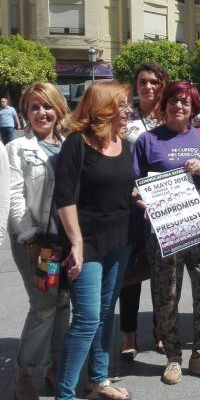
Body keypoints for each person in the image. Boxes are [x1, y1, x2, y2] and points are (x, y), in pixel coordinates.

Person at [132, 81, 200, 385]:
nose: (179, 106)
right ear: (165, 105)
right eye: (173, 100)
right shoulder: (147, 141)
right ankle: (173, 357)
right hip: (165, 233)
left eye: (186, 102)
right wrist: (141, 201)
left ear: (193, 108)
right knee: (166, 295)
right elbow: (135, 187)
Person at [54, 82, 135, 400]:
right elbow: (65, 198)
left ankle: (98, 381)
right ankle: (65, 394)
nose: (129, 111)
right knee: (87, 319)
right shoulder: (76, 144)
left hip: (121, 239)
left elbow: (118, 188)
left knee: (104, 313)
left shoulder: (122, 142)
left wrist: (139, 196)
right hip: (85, 243)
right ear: (104, 109)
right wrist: (75, 244)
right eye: (123, 105)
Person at [6, 83, 71, 399]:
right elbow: (15, 196)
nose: (41, 113)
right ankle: (27, 373)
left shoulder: (71, 144)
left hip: (67, 241)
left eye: (47, 106)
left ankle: (52, 366)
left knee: (62, 302)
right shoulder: (17, 150)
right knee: (45, 304)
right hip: (38, 242)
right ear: (25, 112)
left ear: (58, 109)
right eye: (34, 107)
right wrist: (30, 237)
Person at [120, 62, 170, 360]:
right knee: (131, 274)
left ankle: (161, 330)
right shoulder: (126, 119)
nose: (149, 87)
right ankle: (128, 334)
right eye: (142, 82)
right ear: (136, 86)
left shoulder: (172, 116)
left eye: (154, 81)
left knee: (163, 275)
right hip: (132, 207)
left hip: (166, 207)